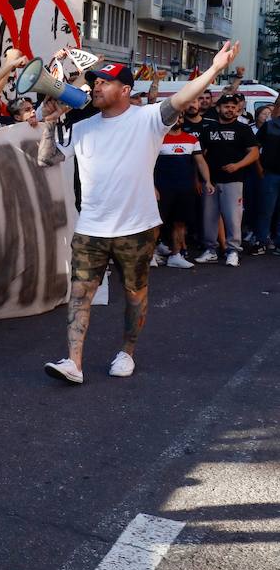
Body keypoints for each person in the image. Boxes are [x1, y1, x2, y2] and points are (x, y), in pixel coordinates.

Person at [36, 42, 239, 384]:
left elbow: (182, 96)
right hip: (91, 229)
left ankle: (127, 352)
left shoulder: (148, 119)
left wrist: (215, 69)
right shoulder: (83, 126)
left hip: (137, 228)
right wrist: (50, 122)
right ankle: (73, 362)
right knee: (80, 293)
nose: (96, 86)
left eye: (105, 81)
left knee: (135, 294)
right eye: (95, 82)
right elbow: (47, 159)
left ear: (126, 89)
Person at [194, 91, 260, 266]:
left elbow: (254, 153)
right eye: (226, 107)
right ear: (218, 108)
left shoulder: (243, 129)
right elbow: (200, 155)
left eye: (233, 107)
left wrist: (238, 165)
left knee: (233, 217)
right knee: (209, 217)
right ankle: (210, 250)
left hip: (233, 180)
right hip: (211, 181)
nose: (230, 110)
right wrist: (200, 179)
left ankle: (233, 251)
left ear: (237, 110)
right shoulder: (208, 130)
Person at [152, 121, 209, 269]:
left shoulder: (192, 139)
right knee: (156, 223)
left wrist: (208, 181)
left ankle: (176, 256)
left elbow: (201, 162)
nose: (177, 120)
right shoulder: (157, 138)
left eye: (180, 117)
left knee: (180, 222)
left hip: (185, 189)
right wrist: (152, 187)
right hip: (162, 189)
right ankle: (150, 255)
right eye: (174, 117)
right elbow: (147, 164)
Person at [253, 105, 280, 254]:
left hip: (270, 175)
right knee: (265, 210)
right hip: (269, 174)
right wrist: (259, 168)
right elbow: (255, 147)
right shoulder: (269, 125)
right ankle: (261, 242)